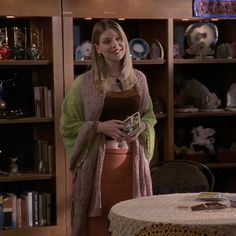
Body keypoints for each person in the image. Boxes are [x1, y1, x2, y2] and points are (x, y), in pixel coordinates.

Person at [60, 19, 157, 236]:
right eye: (107, 41)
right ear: (97, 48)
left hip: (134, 166)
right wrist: (98, 127)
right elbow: (67, 123)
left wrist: (142, 126)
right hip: (100, 171)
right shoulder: (84, 83)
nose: (115, 45)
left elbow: (149, 116)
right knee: (101, 226)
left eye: (119, 38)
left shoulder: (139, 79)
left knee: (134, 224)